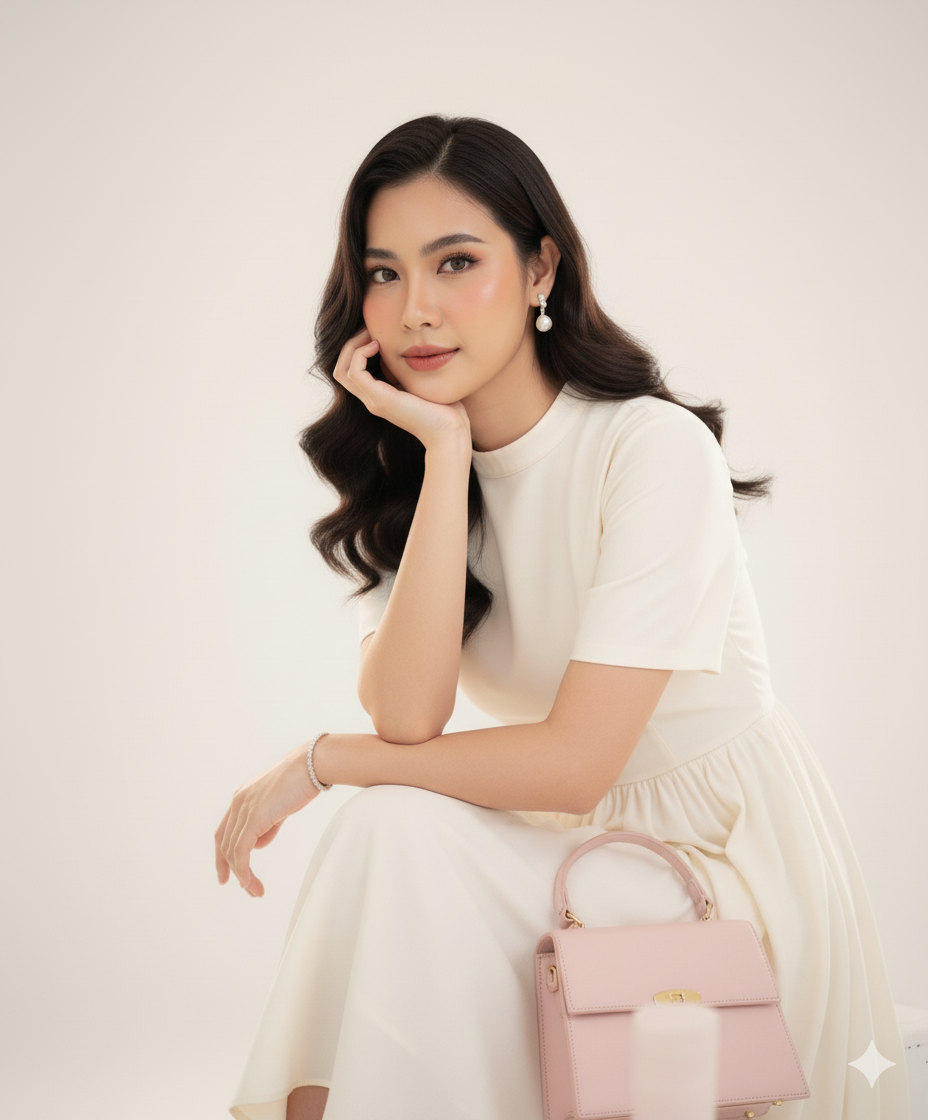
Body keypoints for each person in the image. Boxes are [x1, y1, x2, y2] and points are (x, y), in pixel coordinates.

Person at [215, 115, 909, 1120]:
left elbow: (578, 761)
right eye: (383, 273)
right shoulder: (424, 478)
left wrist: (320, 760)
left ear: (541, 268)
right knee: (389, 828)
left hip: (717, 868)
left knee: (387, 825)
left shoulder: (650, 450)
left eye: (456, 262)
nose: (415, 309)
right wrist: (443, 457)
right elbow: (408, 718)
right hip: (569, 848)